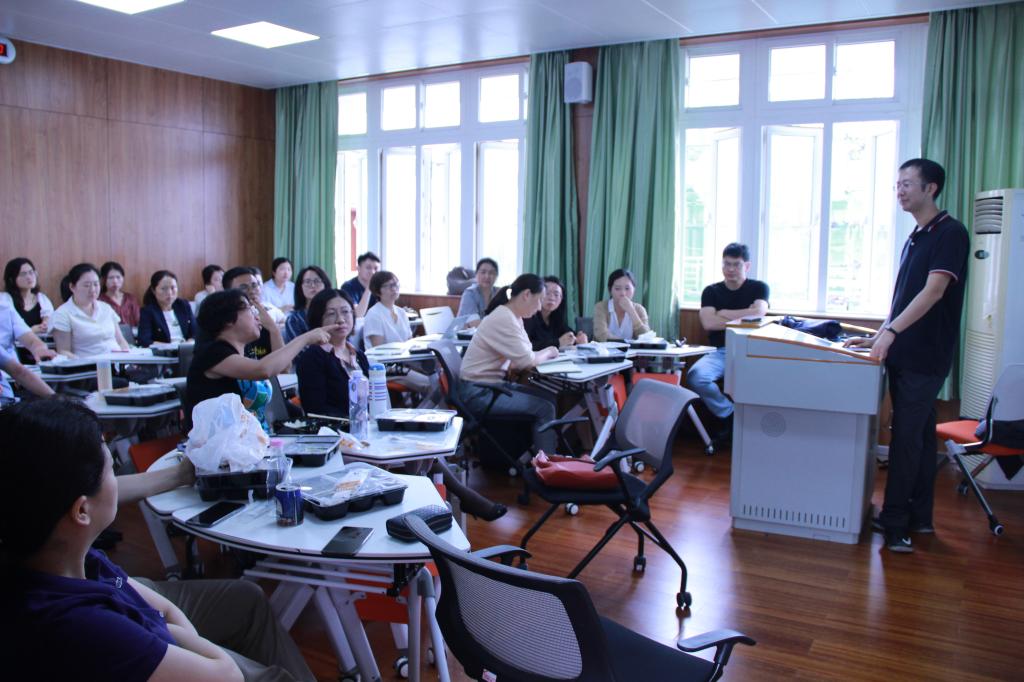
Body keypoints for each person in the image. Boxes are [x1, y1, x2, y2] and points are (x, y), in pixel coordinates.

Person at [0, 399, 316, 681]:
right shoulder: (81, 624)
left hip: (148, 628)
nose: (118, 479)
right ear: (82, 511)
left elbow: (158, 605)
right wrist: (166, 629)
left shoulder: (75, 560)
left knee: (247, 599)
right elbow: (226, 674)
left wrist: (167, 626)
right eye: (111, 469)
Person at [845, 158, 969, 554]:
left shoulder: (950, 233)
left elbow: (934, 292)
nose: (900, 191)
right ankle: (920, 518)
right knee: (918, 437)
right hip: (904, 351)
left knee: (906, 441)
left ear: (931, 188)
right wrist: (879, 334)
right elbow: (903, 297)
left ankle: (895, 523)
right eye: (897, 184)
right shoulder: (916, 235)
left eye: (907, 184)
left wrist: (892, 332)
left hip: (924, 356)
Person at [186, 289, 336, 433]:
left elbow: (283, 367)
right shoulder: (212, 353)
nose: (257, 316)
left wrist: (273, 329)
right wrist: (305, 338)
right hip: (218, 444)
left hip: (252, 439)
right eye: (251, 310)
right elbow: (262, 370)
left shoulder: (245, 352)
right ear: (228, 319)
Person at [459, 274, 560, 453]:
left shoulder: (514, 317)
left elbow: (525, 354)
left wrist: (542, 353)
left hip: (490, 386)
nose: (539, 307)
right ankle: (546, 464)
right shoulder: (504, 317)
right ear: (526, 295)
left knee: (549, 398)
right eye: (539, 300)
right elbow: (527, 360)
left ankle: (538, 457)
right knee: (545, 408)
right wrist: (551, 350)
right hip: (478, 392)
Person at [686, 243, 769, 443]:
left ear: (746, 266)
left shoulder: (759, 287)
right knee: (696, 377)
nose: (730, 269)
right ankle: (729, 415)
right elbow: (708, 323)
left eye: (736, 265)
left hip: (751, 350)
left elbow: (759, 312)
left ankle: (756, 429)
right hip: (721, 351)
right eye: (726, 264)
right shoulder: (711, 291)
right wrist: (745, 315)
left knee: (767, 380)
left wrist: (723, 313)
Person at [294, 289, 368, 418]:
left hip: (368, 426)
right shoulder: (312, 358)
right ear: (318, 319)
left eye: (345, 312)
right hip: (337, 429)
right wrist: (355, 421)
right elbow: (315, 410)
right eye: (331, 314)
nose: (340, 320)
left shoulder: (359, 355)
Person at [363, 271, 432, 394]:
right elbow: (378, 350)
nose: (394, 289)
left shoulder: (401, 312)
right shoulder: (374, 314)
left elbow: (409, 342)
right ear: (378, 291)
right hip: (386, 367)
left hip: (404, 361)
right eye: (388, 286)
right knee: (429, 384)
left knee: (438, 374)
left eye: (395, 284)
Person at [51, 263, 131, 358]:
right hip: (88, 364)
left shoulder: (106, 308)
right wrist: (83, 363)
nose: (93, 289)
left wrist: (128, 359)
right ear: (72, 287)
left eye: (96, 284)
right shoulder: (62, 314)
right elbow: (63, 351)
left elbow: (121, 341)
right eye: (87, 285)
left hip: (118, 362)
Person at [222, 267, 285, 360]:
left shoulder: (264, 319)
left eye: (254, 285)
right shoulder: (224, 325)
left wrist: (273, 328)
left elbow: (284, 366)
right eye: (243, 287)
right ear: (228, 293)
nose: (252, 291)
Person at [524, 276, 587, 350]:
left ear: (561, 299)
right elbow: (524, 346)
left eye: (556, 294)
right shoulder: (527, 316)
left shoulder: (555, 317)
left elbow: (571, 334)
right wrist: (558, 342)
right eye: (547, 293)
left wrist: (579, 338)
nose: (551, 298)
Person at [138, 270, 198, 346]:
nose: (169, 293)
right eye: (164, 289)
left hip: (186, 349)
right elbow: (144, 340)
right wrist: (169, 346)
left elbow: (196, 332)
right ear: (153, 291)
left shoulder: (183, 305)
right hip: (163, 351)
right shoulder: (148, 311)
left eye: (173, 288)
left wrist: (188, 343)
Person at [592, 269, 652, 341]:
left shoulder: (640, 309)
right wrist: (625, 343)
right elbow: (601, 334)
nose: (623, 293)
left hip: (632, 349)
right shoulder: (601, 307)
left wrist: (631, 311)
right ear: (610, 290)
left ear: (634, 290)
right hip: (606, 349)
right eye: (617, 289)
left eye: (627, 288)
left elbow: (646, 337)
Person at [2, 257, 55, 334]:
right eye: (23, 274)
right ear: (11, 279)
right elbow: (4, 332)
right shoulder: (4, 300)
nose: (29, 277)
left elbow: (51, 322)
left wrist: (46, 323)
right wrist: (30, 331)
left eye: (31, 272)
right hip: (15, 342)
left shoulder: (42, 299)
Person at [283, 266, 331, 343]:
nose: (312, 285)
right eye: (307, 281)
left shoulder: (333, 314)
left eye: (317, 281)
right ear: (300, 287)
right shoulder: (294, 320)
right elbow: (298, 348)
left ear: (325, 285)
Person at [457, 258, 498, 327]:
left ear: (496, 276)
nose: (487, 276)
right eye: (483, 272)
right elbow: (475, 324)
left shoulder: (498, 293)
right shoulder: (470, 294)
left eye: (491, 273)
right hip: (467, 333)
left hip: (488, 332)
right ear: (476, 274)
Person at [98, 261, 141, 328]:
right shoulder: (99, 300)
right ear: (103, 280)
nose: (115, 281)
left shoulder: (130, 298)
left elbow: (139, 321)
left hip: (132, 333)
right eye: (111, 278)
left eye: (118, 277)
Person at [341, 251, 381, 319]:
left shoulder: (380, 286)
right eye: (368, 268)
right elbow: (358, 314)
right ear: (358, 269)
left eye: (376, 268)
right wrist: (369, 287)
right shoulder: (348, 287)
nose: (373, 272)